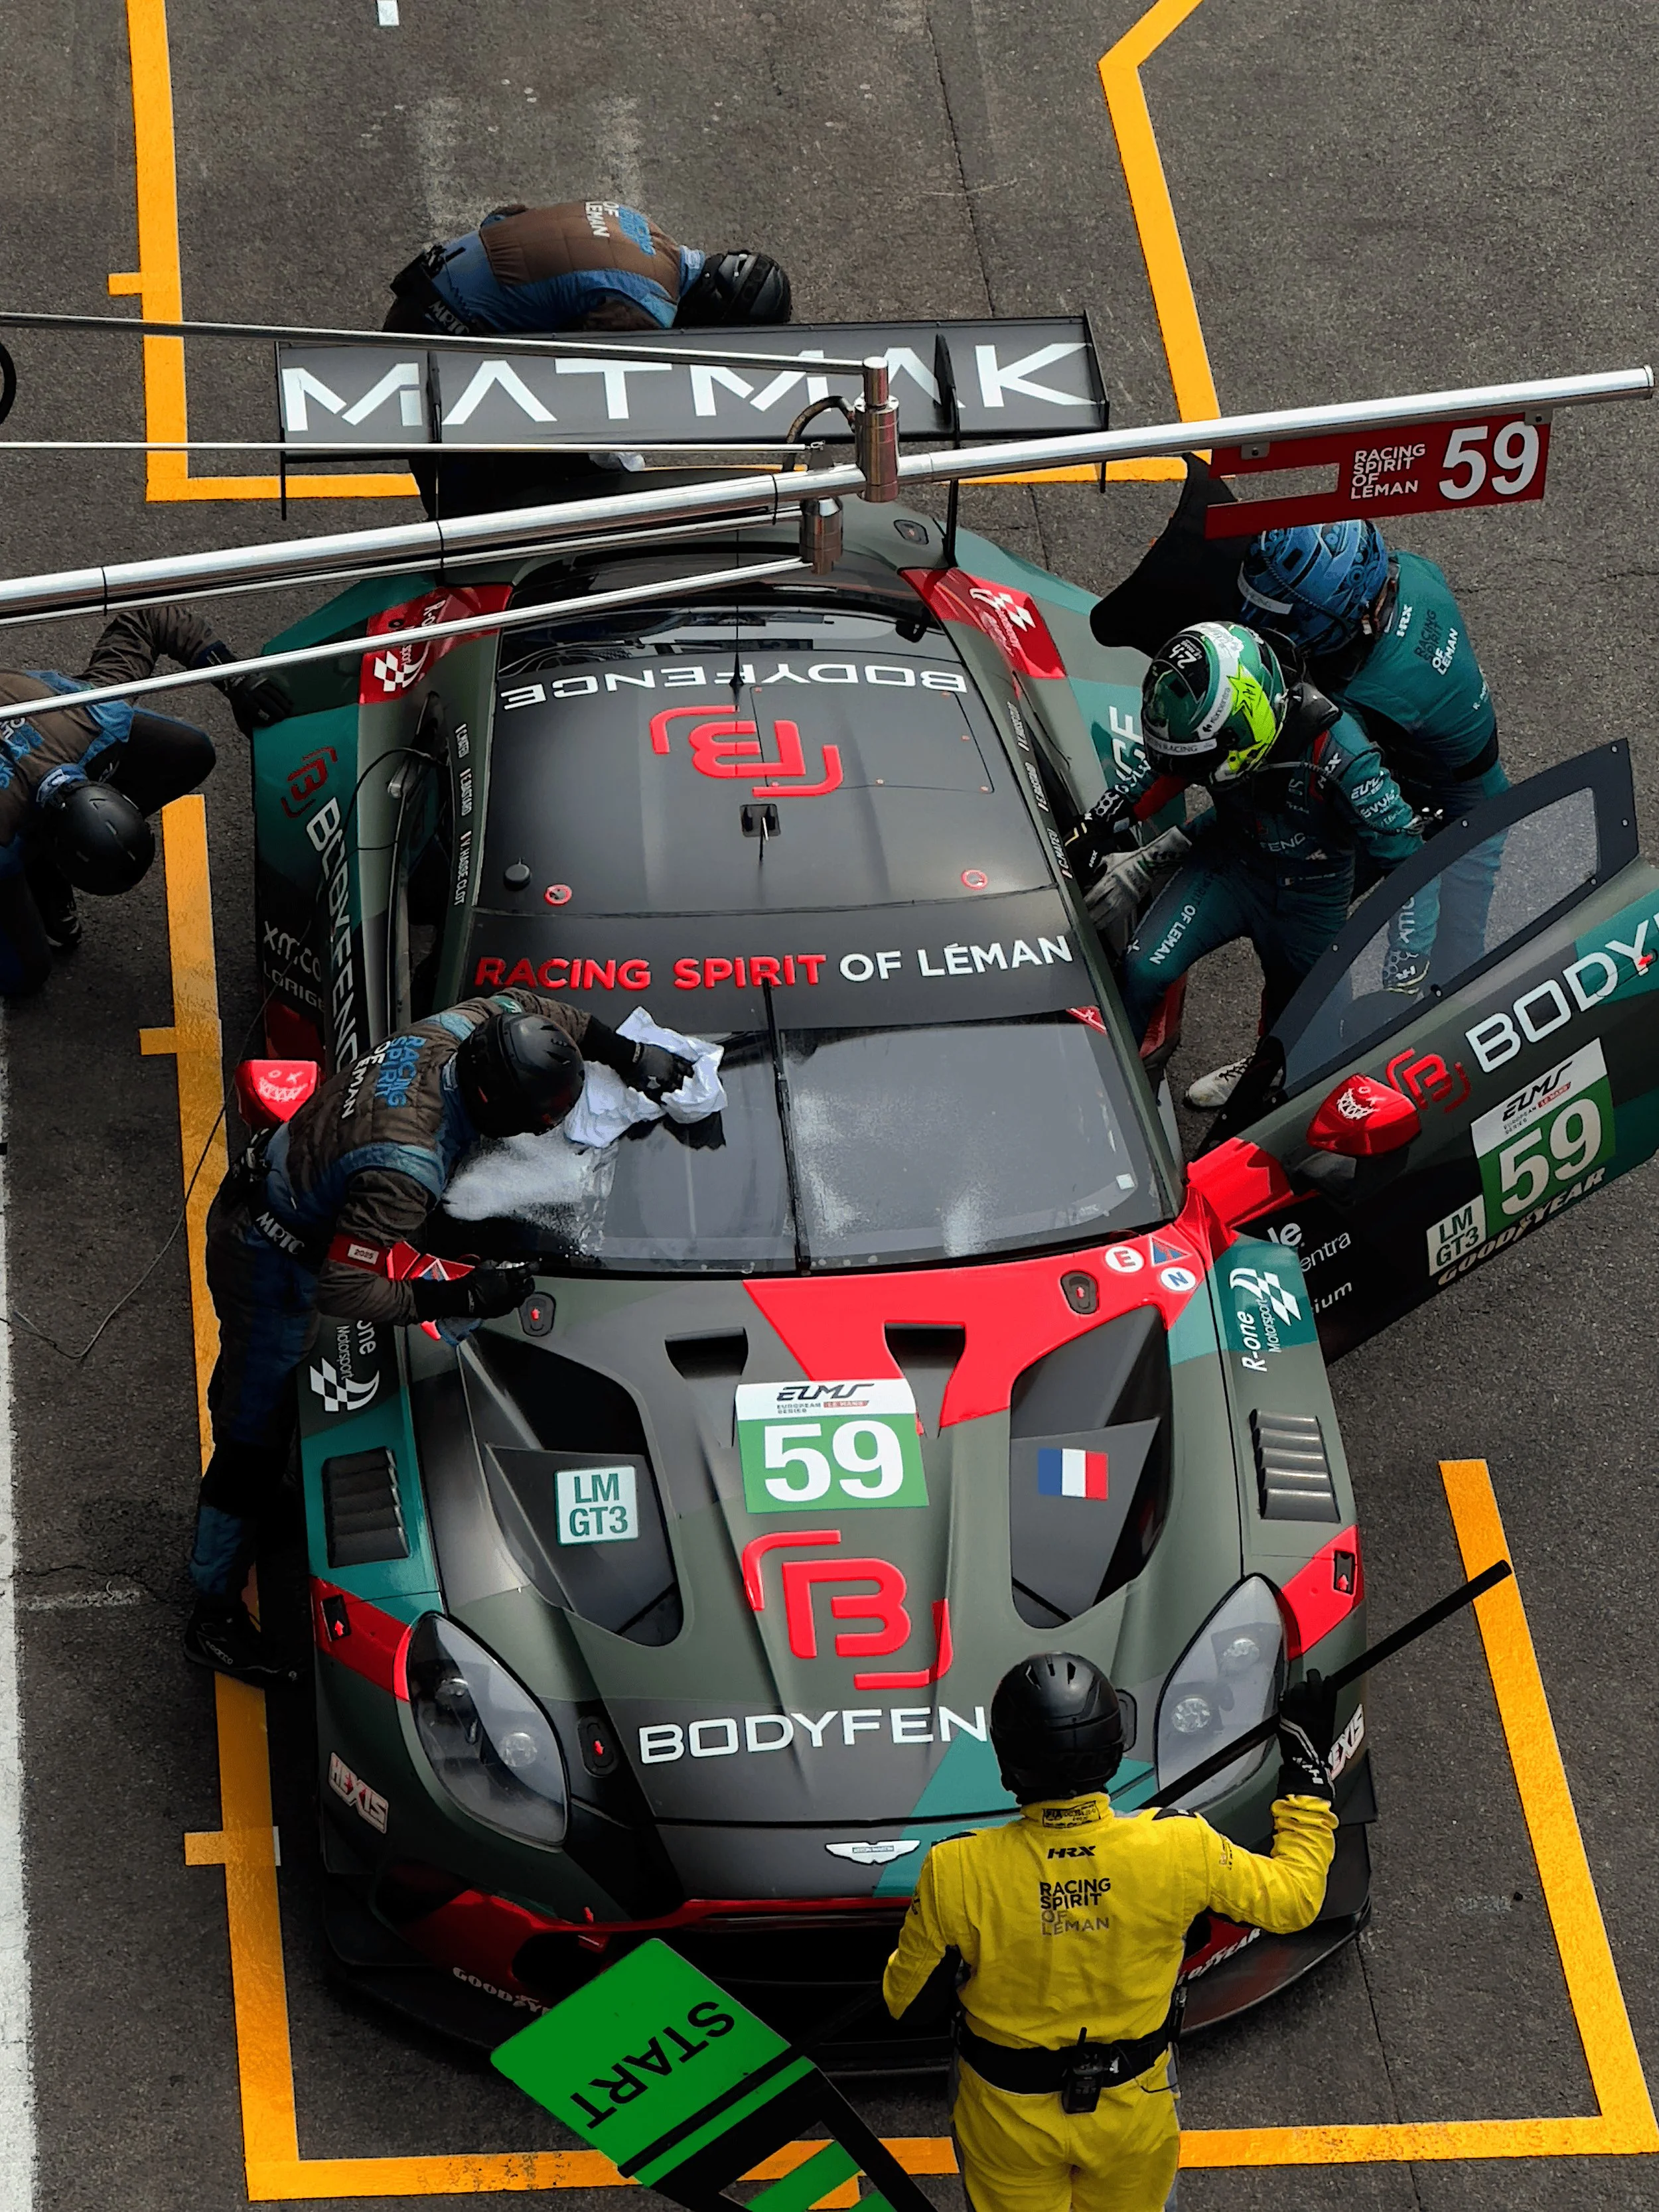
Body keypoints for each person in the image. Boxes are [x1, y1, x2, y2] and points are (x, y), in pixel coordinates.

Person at [186, 989, 695, 1684]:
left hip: (281, 1178)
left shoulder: (460, 1030)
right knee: (251, 1429)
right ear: (492, 1106)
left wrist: (631, 1054)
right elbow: (343, 1288)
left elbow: (543, 1010)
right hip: (272, 1253)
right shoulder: (409, 1168)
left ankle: (259, 1491)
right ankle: (210, 1608)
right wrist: (456, 1296)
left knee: (269, 1398)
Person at [883, 1651, 1337, 2212]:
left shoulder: (958, 1870)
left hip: (1008, 2119)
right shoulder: (1178, 1847)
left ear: (1007, 1766)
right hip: (1132, 2108)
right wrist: (1305, 1773)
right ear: (1114, 1748)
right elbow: (1296, 1899)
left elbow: (906, 2001)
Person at [1087, 622, 1422, 1110]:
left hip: (1312, 899)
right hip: (1231, 867)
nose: (1195, 771)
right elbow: (1168, 768)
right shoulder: (1212, 711)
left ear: (1244, 729)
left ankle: (1266, 1077)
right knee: (1143, 969)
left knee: (1317, 1046)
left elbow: (1413, 864)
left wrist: (1406, 967)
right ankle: (1107, 1098)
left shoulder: (1346, 758)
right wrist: (1099, 822)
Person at [385, 200, 793, 517]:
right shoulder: (643, 312)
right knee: (474, 524)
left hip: (428, 287)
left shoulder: (641, 227)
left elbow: (506, 217)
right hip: (432, 339)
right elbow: (591, 415)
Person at [1238, 520, 1506, 983]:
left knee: (1457, 969)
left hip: (1465, 812)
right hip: (1429, 766)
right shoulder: (1414, 572)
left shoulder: (1363, 693)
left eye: (1290, 619)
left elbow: (1328, 749)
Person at [0, 606, 285, 996]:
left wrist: (234, 678)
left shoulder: (101, 714)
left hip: (58, 727)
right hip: (14, 821)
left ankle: (46, 871)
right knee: (25, 974)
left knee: (191, 751)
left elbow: (152, 620)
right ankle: (38, 875)